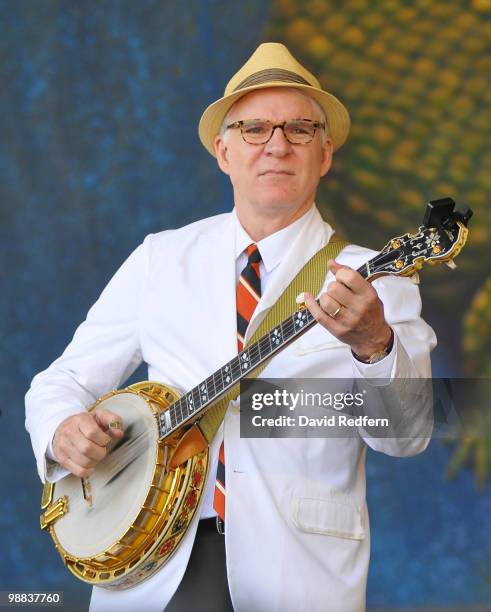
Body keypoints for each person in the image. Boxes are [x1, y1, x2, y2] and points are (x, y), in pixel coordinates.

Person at [25, 43, 436, 612]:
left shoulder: (374, 280)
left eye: (298, 128)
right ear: (223, 151)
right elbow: (60, 381)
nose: (276, 144)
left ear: (325, 152)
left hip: (296, 571)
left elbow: (407, 435)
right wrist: (61, 429)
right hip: (149, 566)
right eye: (254, 128)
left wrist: (374, 345)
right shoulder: (160, 259)